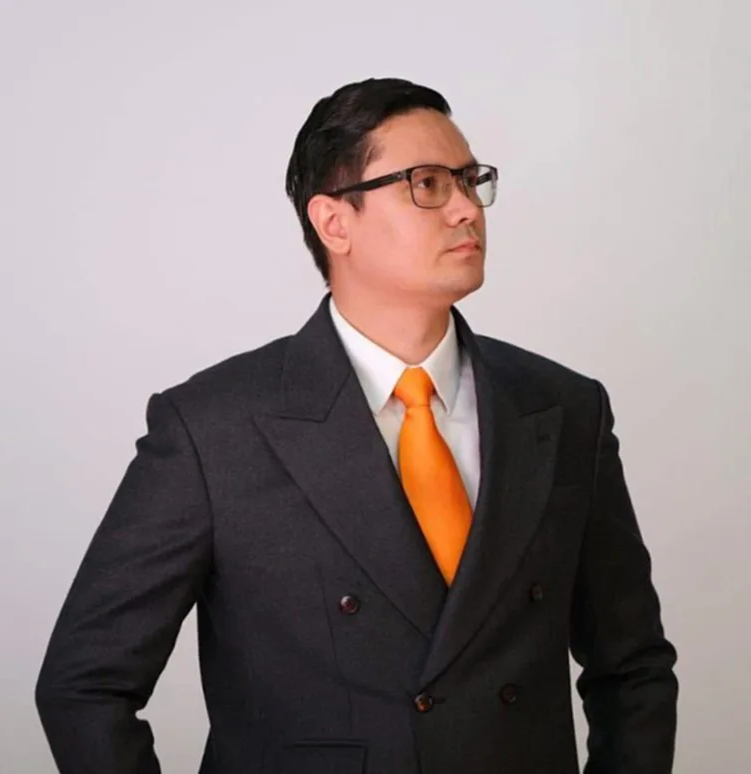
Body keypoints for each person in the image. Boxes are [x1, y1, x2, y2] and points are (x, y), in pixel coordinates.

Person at [35, 77, 678, 774]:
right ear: (334, 222)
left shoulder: (564, 407)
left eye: (471, 180)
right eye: (427, 184)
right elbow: (86, 686)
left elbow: (632, 668)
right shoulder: (213, 428)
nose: (466, 208)